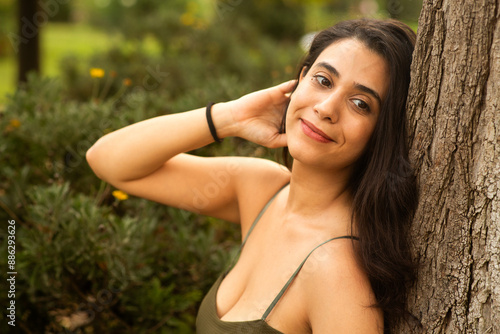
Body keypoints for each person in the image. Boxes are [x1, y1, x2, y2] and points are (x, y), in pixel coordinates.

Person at [87, 18, 418, 334]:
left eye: (360, 103)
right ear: (300, 79)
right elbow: (109, 161)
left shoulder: (335, 270)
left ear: (381, 132)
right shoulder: (262, 188)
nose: (326, 108)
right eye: (323, 80)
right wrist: (230, 117)